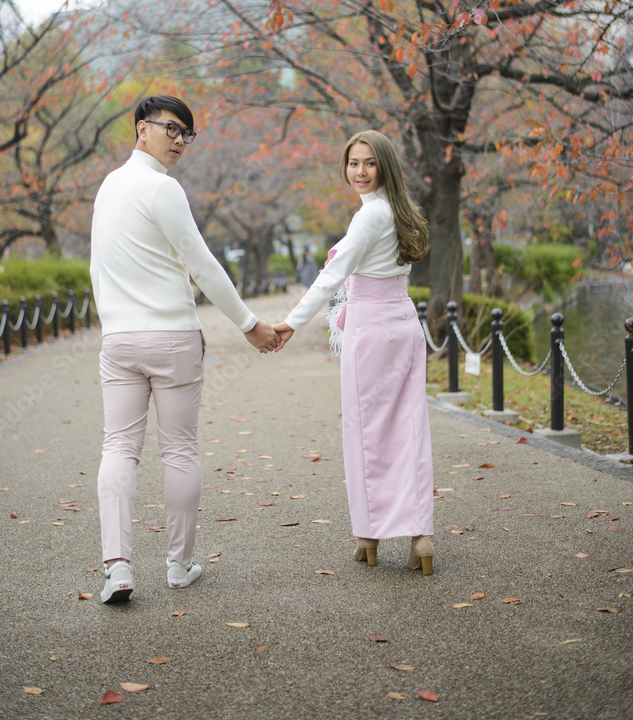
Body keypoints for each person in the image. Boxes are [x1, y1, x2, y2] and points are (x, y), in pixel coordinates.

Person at [90, 94, 279, 605]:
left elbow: (96, 268)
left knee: (118, 447)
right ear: (140, 129)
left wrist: (112, 322)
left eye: (185, 133)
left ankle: (118, 568)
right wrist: (249, 324)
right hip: (171, 336)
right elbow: (204, 265)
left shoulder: (108, 187)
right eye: (169, 129)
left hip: (120, 339)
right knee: (178, 448)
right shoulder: (162, 189)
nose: (178, 140)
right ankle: (177, 565)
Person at [273, 130, 434, 574]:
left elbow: (330, 277)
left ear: (384, 166)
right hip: (403, 322)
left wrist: (289, 323)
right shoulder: (400, 211)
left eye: (369, 163)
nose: (359, 171)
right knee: (409, 426)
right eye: (353, 163)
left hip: (372, 327)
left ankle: (370, 532)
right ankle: (422, 533)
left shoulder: (369, 216)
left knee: (367, 432)